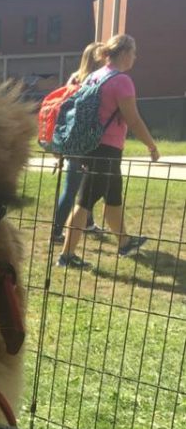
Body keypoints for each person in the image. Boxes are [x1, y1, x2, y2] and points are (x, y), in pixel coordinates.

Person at [57, 34, 160, 269]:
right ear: (124, 53)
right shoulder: (122, 80)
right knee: (85, 201)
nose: (135, 56)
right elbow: (132, 119)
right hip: (106, 149)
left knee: (113, 195)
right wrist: (151, 146)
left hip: (92, 146)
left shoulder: (94, 76)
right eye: (133, 51)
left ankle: (124, 243)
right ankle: (66, 256)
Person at [52, 42, 103, 243]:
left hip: (70, 139)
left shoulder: (75, 77)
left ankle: (88, 223)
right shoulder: (92, 81)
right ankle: (56, 232)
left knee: (85, 183)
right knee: (72, 187)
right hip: (82, 141)